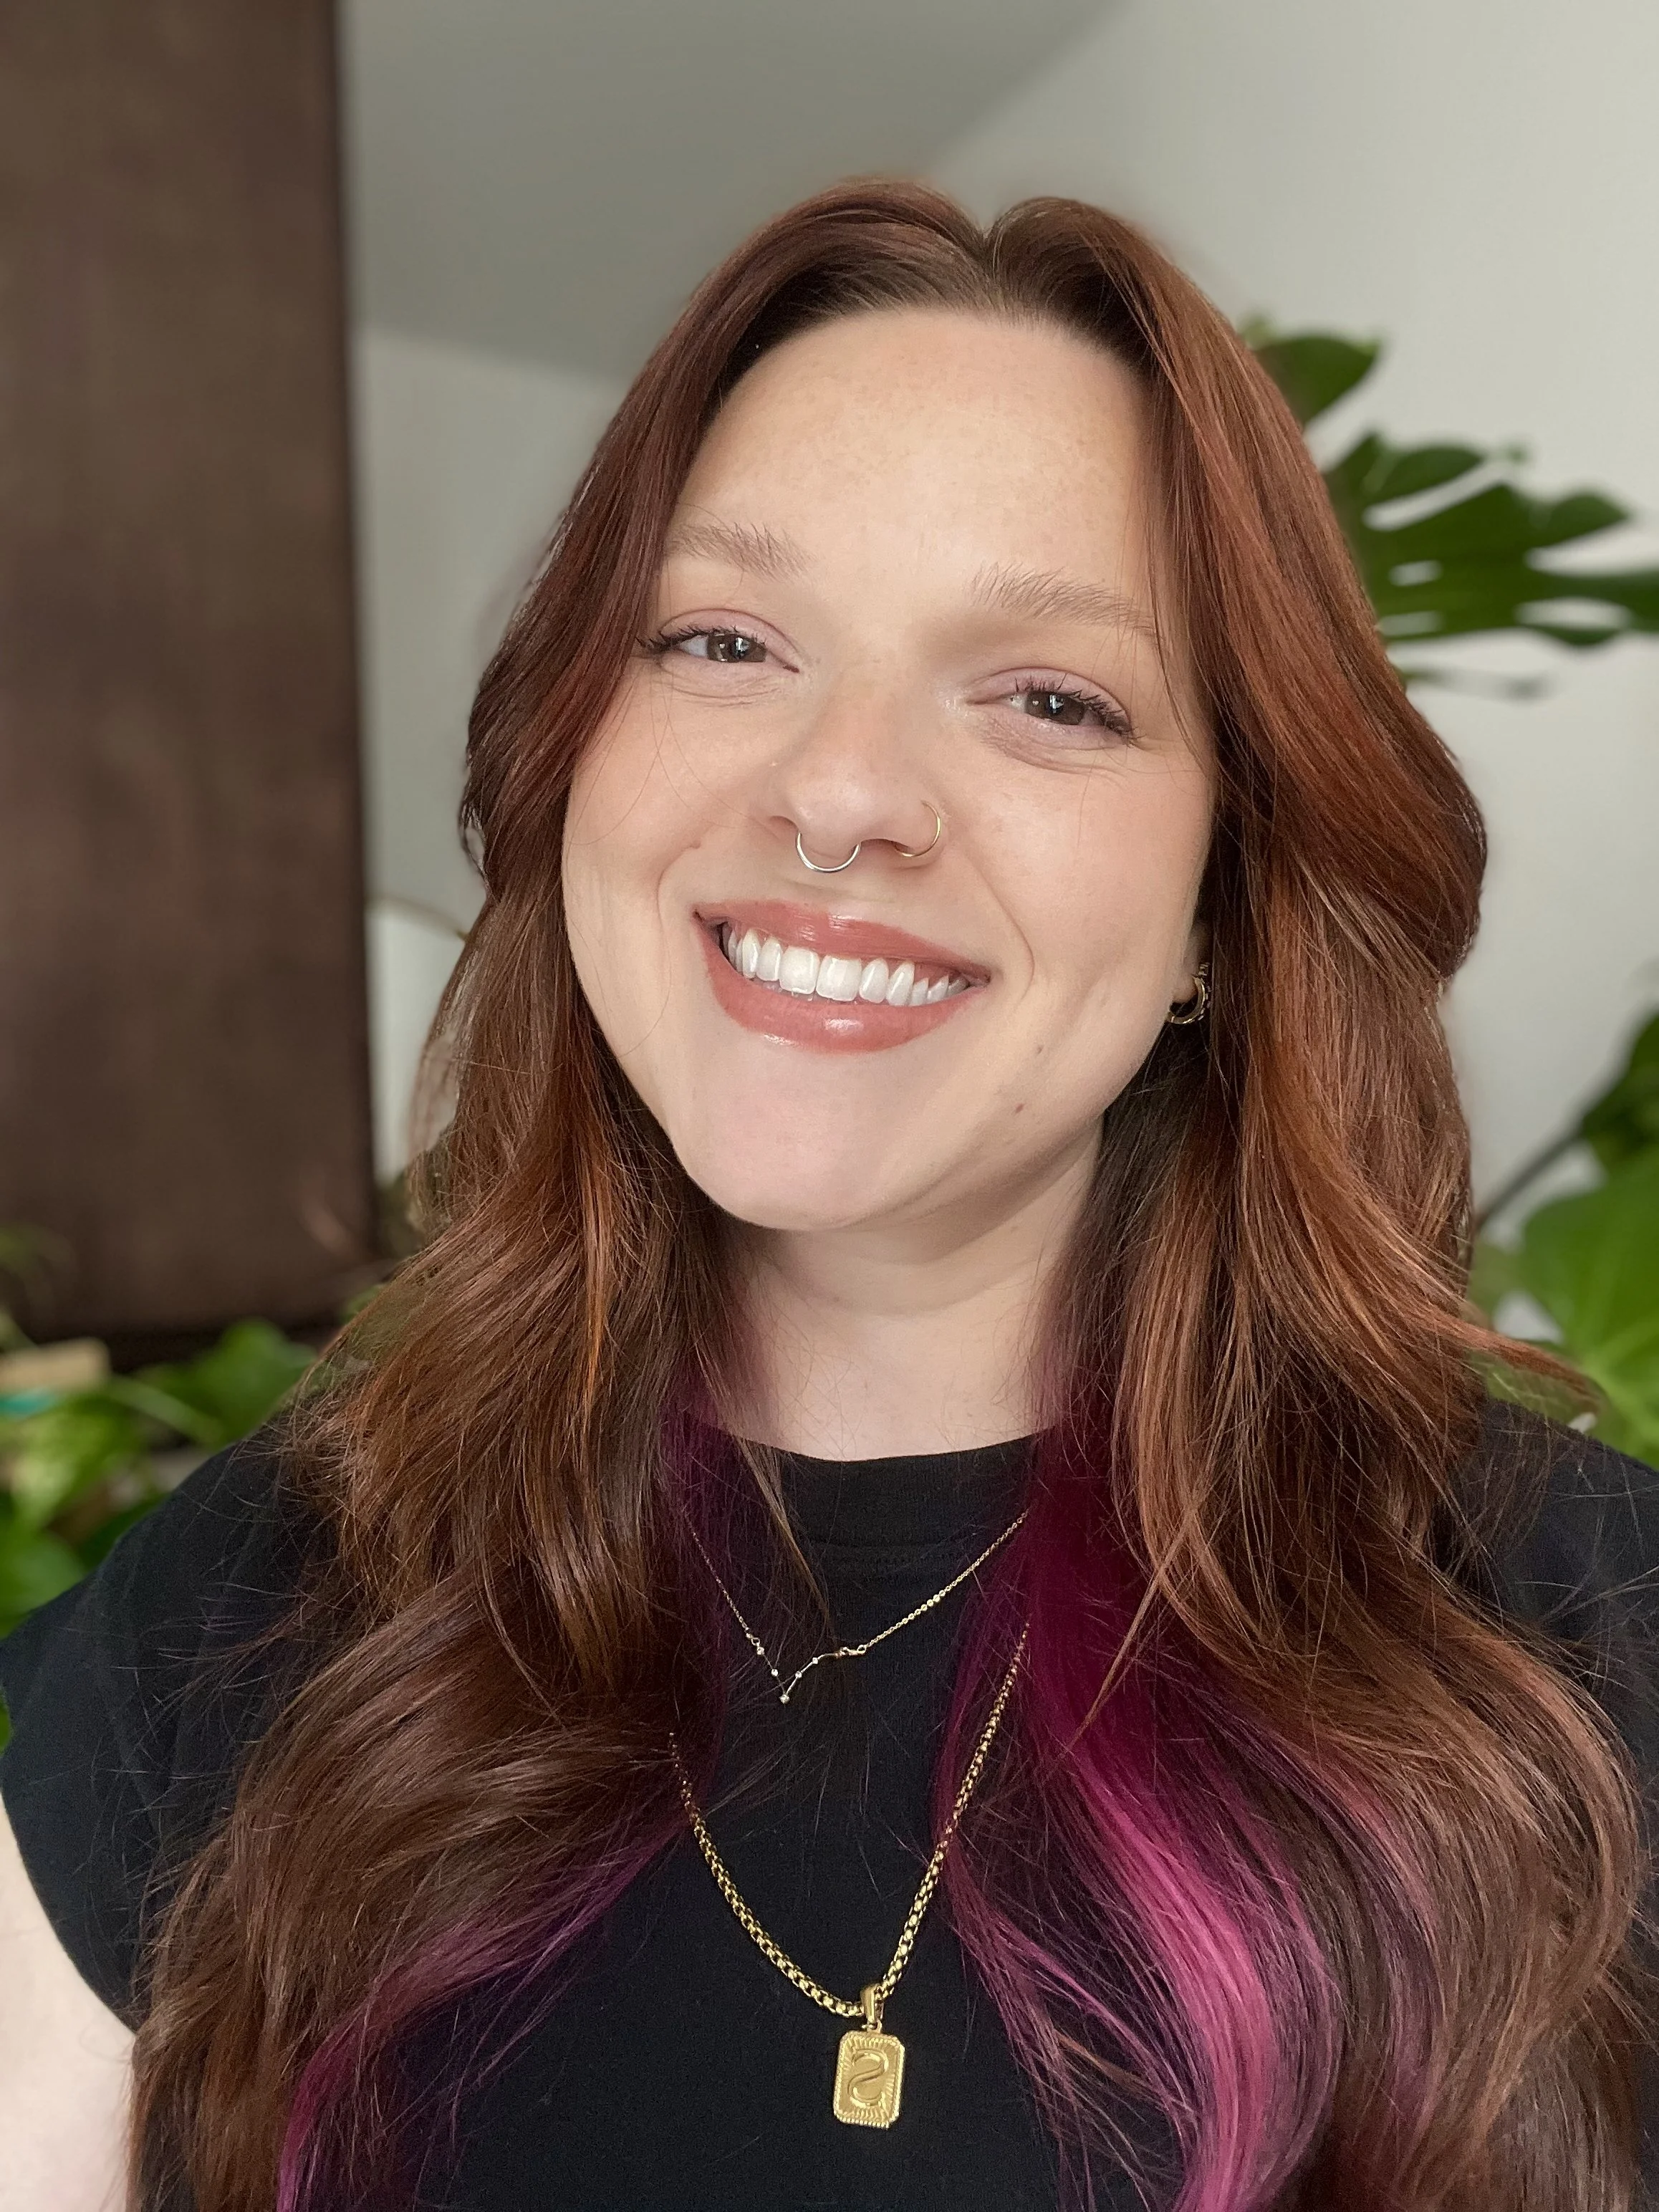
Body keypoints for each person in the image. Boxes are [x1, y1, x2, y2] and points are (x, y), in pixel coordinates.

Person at [1, 180, 1653, 2212]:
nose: (841, 789)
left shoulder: (1577, 1647)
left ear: (1222, 911)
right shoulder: (253, 1612)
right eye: (721, 640)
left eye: (1050, 697)